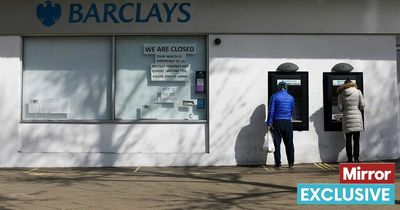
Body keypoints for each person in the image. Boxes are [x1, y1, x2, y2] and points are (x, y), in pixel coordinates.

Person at [267, 81, 295, 168]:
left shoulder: (274, 96)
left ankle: (278, 163)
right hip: (287, 122)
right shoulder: (291, 98)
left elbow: (271, 111)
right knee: (289, 143)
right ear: (286, 87)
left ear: (278, 87)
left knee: (277, 143)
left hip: (277, 122)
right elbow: (292, 110)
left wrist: (269, 123)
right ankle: (291, 162)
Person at [337, 78, 365, 163]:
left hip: (347, 118)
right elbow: (362, 105)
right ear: (352, 84)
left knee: (348, 140)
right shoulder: (358, 92)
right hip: (357, 118)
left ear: (344, 85)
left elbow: (340, 108)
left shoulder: (341, 94)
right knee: (356, 140)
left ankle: (349, 159)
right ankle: (356, 158)